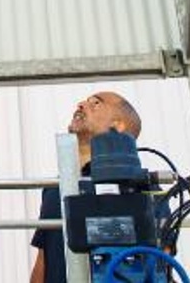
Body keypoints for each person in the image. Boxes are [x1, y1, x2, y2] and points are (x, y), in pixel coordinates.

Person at [30, 91, 144, 283]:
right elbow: (43, 257)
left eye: (96, 103)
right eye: (85, 101)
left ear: (118, 125)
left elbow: (159, 258)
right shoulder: (54, 187)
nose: (81, 104)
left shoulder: (141, 187)